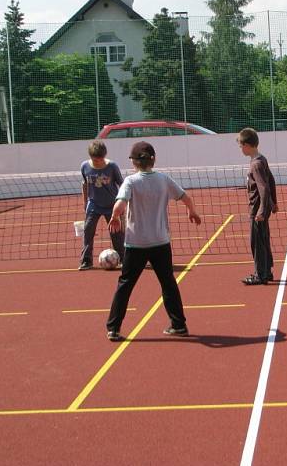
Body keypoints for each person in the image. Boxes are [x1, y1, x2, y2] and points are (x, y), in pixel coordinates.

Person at [105, 141, 202, 342]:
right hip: (160, 242)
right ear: (153, 159)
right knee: (168, 283)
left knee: (125, 284)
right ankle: (179, 324)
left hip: (136, 243)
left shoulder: (131, 182)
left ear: (134, 162)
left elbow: (120, 203)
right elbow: (186, 197)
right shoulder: (163, 179)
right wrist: (191, 211)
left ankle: (113, 328)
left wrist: (115, 216)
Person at [237, 127, 279, 285]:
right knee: (263, 239)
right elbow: (271, 180)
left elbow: (264, 187)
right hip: (263, 207)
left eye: (241, 146)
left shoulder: (256, 164)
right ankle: (266, 271)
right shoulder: (262, 159)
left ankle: (260, 274)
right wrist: (274, 203)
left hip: (257, 209)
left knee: (257, 242)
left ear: (247, 145)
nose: (240, 149)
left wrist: (262, 210)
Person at [79, 140, 125, 270]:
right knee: (88, 231)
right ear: (90, 156)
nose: (98, 162)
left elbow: (121, 184)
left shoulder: (112, 167)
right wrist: (85, 202)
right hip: (93, 204)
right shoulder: (84, 166)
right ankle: (86, 261)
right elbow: (84, 184)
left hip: (112, 204)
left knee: (116, 232)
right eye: (95, 159)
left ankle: (122, 258)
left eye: (100, 159)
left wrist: (122, 203)